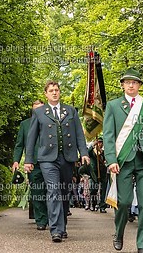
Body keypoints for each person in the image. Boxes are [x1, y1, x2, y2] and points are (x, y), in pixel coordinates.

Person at [103, 68, 143, 253]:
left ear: (139, 85)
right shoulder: (114, 106)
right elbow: (108, 135)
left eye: (135, 82)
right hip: (123, 160)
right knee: (123, 202)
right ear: (123, 84)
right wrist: (111, 159)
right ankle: (119, 232)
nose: (131, 85)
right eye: (127, 82)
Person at [24, 80, 90, 243]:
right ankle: (56, 230)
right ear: (46, 94)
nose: (54, 92)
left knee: (64, 192)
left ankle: (62, 224)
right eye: (51, 90)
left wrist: (84, 153)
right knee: (53, 190)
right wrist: (29, 159)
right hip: (47, 159)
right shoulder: (39, 113)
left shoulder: (70, 111)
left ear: (60, 92)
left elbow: (79, 134)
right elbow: (31, 138)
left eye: (57, 90)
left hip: (67, 158)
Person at [12, 99, 48, 230]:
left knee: (51, 190)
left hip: (50, 162)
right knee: (37, 192)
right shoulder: (25, 124)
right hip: (33, 164)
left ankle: (51, 216)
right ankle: (41, 220)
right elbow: (19, 144)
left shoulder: (51, 122)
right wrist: (16, 160)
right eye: (36, 109)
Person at [88, 137, 108, 212]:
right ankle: (93, 204)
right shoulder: (92, 152)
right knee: (93, 189)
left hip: (103, 172)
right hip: (94, 173)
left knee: (103, 190)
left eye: (101, 142)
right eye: (99, 142)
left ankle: (102, 206)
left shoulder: (103, 152)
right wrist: (93, 145)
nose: (100, 144)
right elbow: (87, 152)